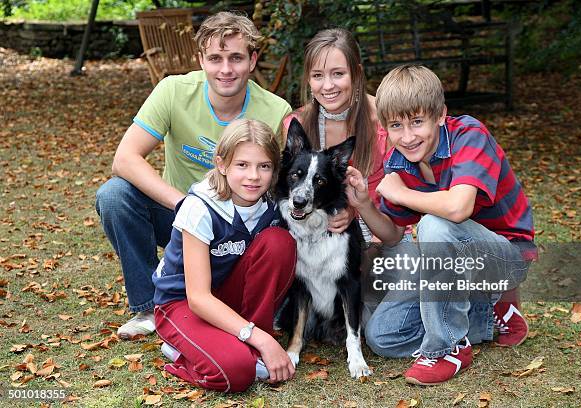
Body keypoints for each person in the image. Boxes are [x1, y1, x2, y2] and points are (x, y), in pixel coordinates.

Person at [95, 11, 292, 339]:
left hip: (241, 226)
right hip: (178, 219)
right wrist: (185, 204)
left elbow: (285, 185)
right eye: (215, 58)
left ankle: (242, 303)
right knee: (113, 194)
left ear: (253, 59)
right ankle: (148, 307)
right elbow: (125, 159)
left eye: (236, 58)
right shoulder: (172, 91)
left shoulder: (276, 111)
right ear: (201, 59)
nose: (225, 69)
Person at [346, 65, 536, 385]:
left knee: (435, 226)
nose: (407, 137)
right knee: (384, 337)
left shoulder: (469, 135)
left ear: (440, 114)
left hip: (506, 258)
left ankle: (449, 347)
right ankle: (485, 315)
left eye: (417, 122)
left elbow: (458, 208)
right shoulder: (399, 161)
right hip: (453, 263)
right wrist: (363, 203)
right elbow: (392, 234)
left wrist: (403, 193)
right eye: (396, 125)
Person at [153, 119, 296, 392]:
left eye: (264, 166)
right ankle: (181, 352)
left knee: (279, 243)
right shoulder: (200, 207)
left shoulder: (273, 204)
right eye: (242, 165)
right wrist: (264, 340)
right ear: (222, 164)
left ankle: (250, 342)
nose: (253, 176)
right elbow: (198, 298)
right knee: (236, 373)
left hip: (227, 297)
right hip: (184, 303)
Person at [281, 28, 395, 240]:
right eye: (317, 75)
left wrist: (354, 211)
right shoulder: (297, 125)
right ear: (308, 79)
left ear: (357, 73)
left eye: (338, 73)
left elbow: (397, 199)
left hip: (381, 228)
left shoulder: (386, 123)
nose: (328, 86)